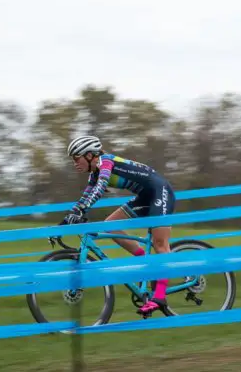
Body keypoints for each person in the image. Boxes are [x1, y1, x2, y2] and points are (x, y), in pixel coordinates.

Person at [63, 135, 176, 317]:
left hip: (161, 192)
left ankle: (160, 297)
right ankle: (144, 263)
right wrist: (68, 218)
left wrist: (81, 210)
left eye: (76, 158)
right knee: (111, 225)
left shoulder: (106, 162)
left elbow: (100, 189)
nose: (75, 163)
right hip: (145, 197)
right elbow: (85, 197)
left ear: (90, 155)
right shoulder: (94, 173)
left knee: (160, 244)